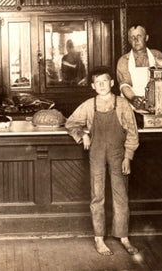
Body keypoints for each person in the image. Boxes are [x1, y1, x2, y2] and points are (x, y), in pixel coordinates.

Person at [65, 66, 139, 256]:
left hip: (118, 154)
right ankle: (99, 238)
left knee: (121, 195)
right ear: (92, 86)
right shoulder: (89, 105)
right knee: (97, 195)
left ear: (112, 83)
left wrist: (128, 157)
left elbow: (132, 133)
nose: (101, 85)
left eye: (105, 81)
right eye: (97, 82)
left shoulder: (122, 104)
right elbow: (71, 123)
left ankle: (123, 237)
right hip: (96, 153)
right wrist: (83, 134)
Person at [116, 25, 162, 109]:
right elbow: (124, 85)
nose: (136, 40)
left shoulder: (157, 56)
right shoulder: (123, 60)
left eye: (139, 36)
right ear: (129, 40)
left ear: (146, 38)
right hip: (131, 106)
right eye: (132, 37)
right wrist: (133, 99)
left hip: (157, 104)